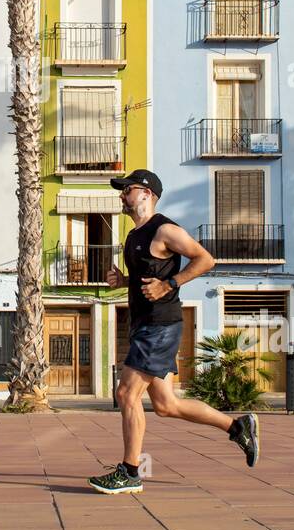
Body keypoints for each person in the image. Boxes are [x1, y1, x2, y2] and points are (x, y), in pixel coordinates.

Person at [88, 168, 261, 495]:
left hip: (159, 325)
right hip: (144, 324)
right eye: (122, 190)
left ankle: (129, 471)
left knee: (126, 394)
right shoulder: (134, 236)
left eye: (127, 189)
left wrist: (170, 284)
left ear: (146, 194)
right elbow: (146, 280)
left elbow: (205, 259)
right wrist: (123, 281)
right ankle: (238, 426)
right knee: (167, 405)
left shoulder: (163, 229)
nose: (122, 195)